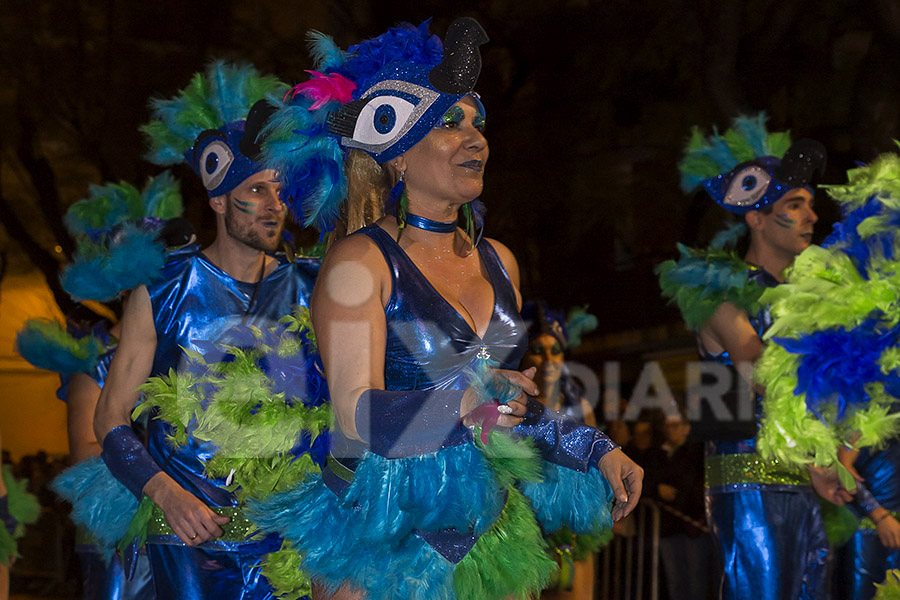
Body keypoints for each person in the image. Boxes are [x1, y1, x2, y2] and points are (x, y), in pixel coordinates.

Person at [248, 18, 643, 600]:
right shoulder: (361, 262)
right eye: (449, 123)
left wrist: (595, 450)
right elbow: (357, 416)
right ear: (398, 153)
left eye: (477, 122)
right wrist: (464, 404)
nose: (475, 137)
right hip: (384, 537)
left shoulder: (501, 261)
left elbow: (505, 404)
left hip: (487, 534)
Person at [91, 61, 321, 600]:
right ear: (218, 200)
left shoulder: (315, 286)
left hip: (284, 534)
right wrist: (164, 493)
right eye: (258, 190)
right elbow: (109, 415)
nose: (275, 206)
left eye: (281, 192)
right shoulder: (165, 286)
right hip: (187, 530)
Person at [658, 114, 847, 600]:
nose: (812, 216)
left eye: (810, 205)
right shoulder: (721, 290)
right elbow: (766, 375)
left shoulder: (809, 299)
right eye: (795, 204)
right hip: (749, 489)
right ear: (756, 217)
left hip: (808, 486)